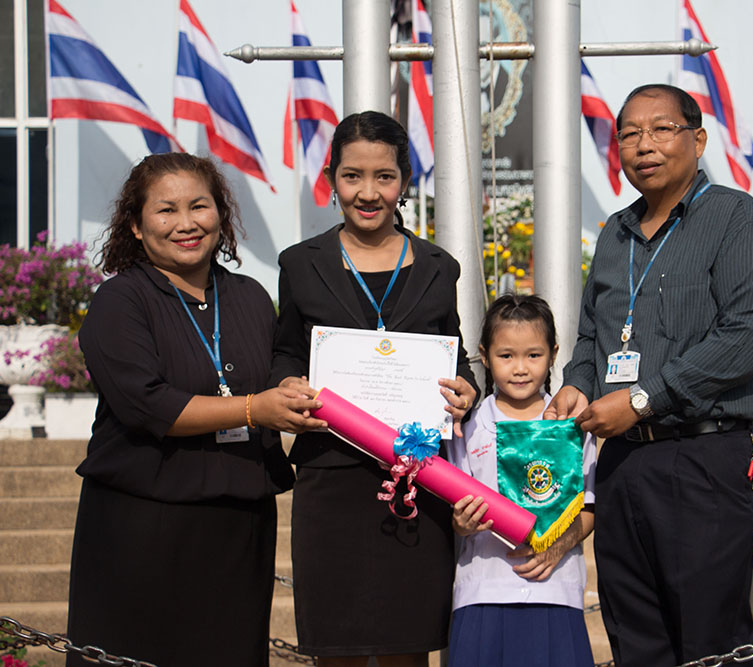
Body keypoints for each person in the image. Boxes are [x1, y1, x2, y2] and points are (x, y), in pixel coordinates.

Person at [546, 84, 753, 666]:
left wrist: (643, 398)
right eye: (629, 134)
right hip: (623, 462)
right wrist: (578, 382)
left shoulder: (734, 218)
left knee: (710, 640)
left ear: (697, 140)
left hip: (706, 456)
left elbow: (751, 333)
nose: (644, 145)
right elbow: (592, 335)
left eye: (661, 129)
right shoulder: (615, 233)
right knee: (636, 635)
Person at [66, 153, 327, 667]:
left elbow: (278, 370)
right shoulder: (120, 300)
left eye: (199, 206)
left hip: (239, 524)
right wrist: (253, 409)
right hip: (142, 524)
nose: (186, 223)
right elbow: (148, 405)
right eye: (166, 210)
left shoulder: (250, 296)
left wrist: (292, 388)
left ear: (220, 214)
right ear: (136, 225)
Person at [271, 110, 479, 667]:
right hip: (331, 476)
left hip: (418, 478)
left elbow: (456, 355)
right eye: (352, 176)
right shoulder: (300, 263)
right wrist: (285, 382)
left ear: (404, 181)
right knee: (334, 645)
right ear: (331, 179)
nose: (368, 192)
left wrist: (467, 390)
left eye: (384, 176)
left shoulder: (439, 266)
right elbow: (286, 350)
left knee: (407, 645)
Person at [447, 294, 596, 667]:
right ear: (484, 356)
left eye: (533, 355)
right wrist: (462, 524)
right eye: (506, 355)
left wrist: (556, 547)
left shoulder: (573, 426)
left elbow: (589, 508)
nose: (520, 368)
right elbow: (455, 511)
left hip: (555, 592)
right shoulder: (468, 427)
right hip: (482, 592)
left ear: (553, 354)